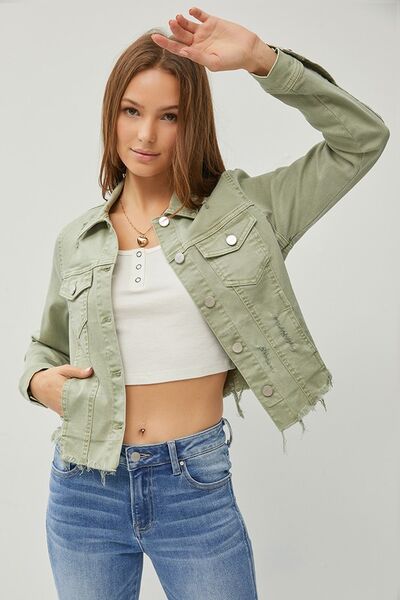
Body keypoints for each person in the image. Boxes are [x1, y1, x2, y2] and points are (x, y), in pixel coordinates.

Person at [18, 7, 390, 600]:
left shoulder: (247, 212)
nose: (146, 135)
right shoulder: (78, 238)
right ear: (111, 114)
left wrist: (262, 60)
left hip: (192, 482)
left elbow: (361, 140)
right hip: (83, 487)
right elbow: (46, 347)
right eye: (132, 111)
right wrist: (39, 384)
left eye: (168, 116)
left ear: (191, 123)